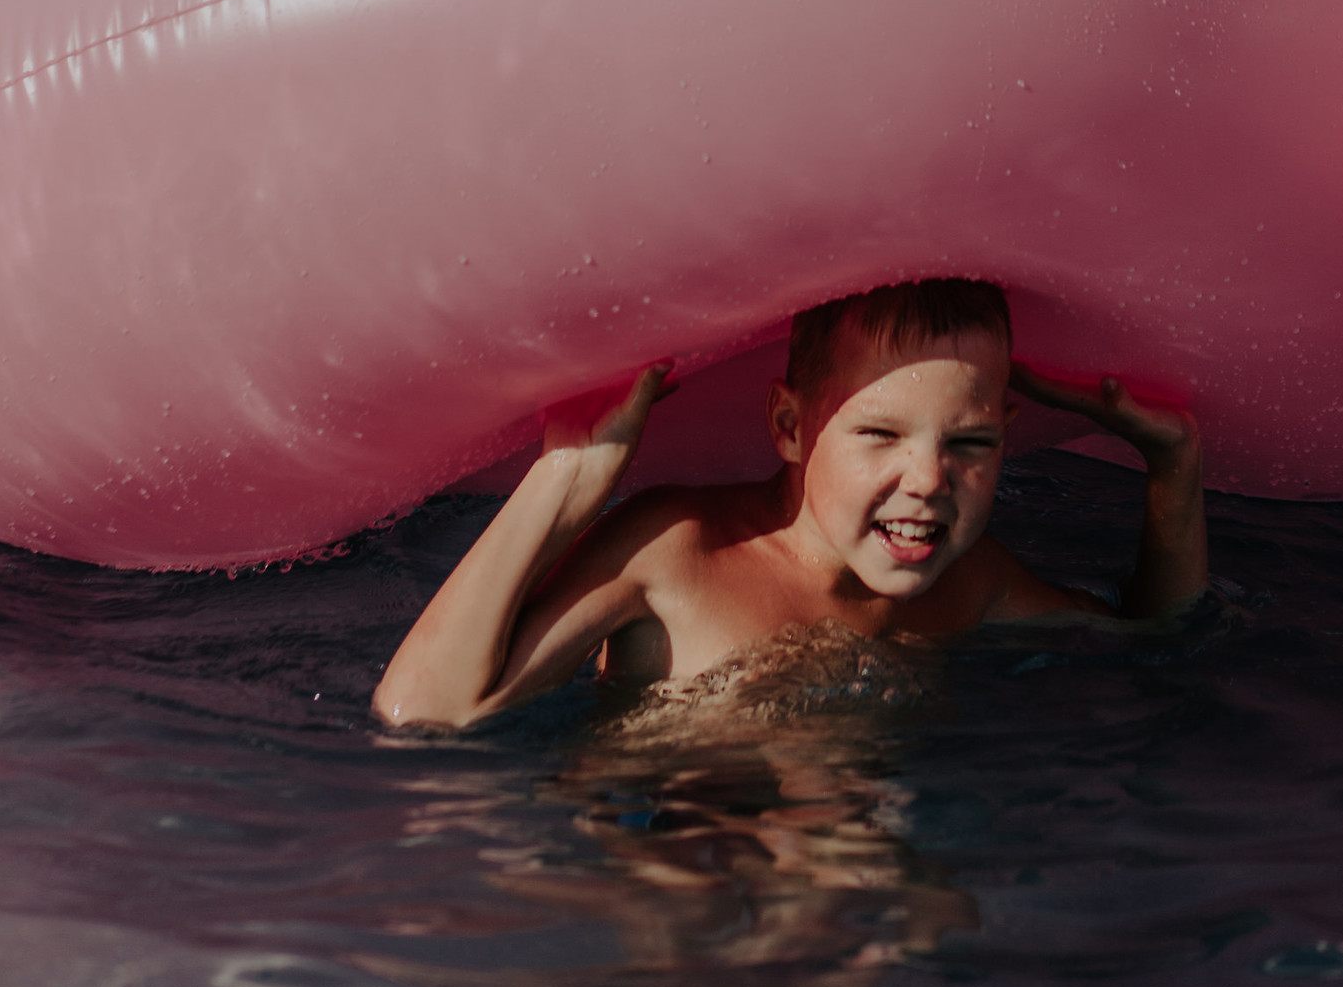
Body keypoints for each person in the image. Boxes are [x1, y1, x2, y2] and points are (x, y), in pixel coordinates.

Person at [373, 278, 1207, 731]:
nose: (928, 478)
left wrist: (1172, 462)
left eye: (970, 445)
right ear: (789, 425)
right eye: (880, 435)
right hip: (677, 872)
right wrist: (563, 481)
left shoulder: (972, 584)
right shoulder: (677, 556)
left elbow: (1160, 641)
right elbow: (426, 711)